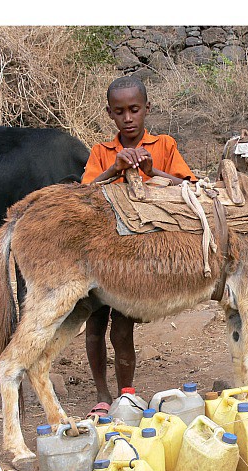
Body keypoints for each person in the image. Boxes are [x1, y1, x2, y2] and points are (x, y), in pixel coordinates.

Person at [81, 75, 197, 418]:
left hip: (138, 255)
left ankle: (125, 396)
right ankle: (102, 393)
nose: (128, 118)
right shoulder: (102, 152)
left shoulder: (163, 145)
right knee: (95, 324)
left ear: (147, 109)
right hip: (100, 252)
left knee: (123, 327)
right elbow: (83, 192)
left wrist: (153, 170)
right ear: (110, 114)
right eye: (120, 112)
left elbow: (187, 187)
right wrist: (114, 170)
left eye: (134, 110)